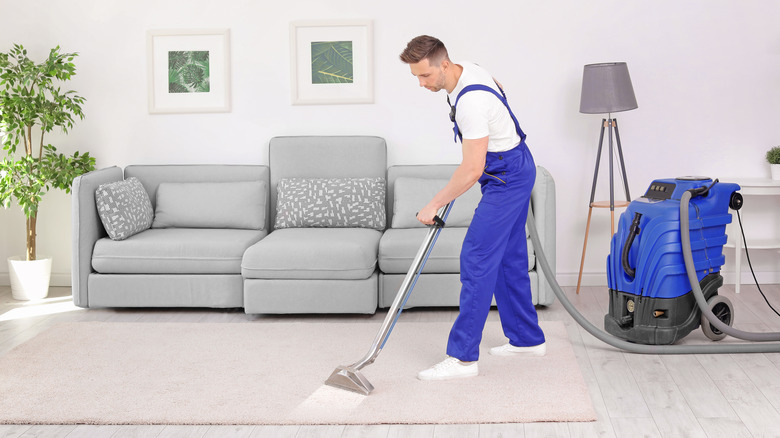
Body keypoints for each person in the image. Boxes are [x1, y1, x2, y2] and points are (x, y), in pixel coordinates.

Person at [399, 35, 546, 381]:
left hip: (506, 176)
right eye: (416, 77)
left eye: (425, 76)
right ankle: (527, 339)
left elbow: (471, 169)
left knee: (477, 258)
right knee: (508, 257)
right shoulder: (471, 70)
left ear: (444, 65)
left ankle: (462, 357)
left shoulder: (471, 103)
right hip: (515, 165)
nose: (422, 84)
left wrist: (434, 202)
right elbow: (499, 86)